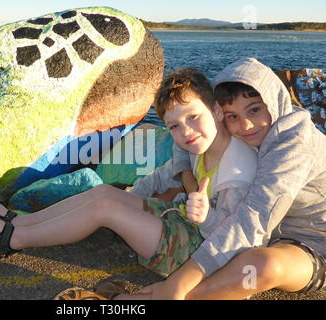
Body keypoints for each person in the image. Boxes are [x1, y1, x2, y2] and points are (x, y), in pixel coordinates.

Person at [0, 68, 258, 298]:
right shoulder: (204, 145)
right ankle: (18, 222)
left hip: (198, 253)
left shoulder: (237, 169)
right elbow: (163, 174)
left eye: (193, 117)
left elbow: (234, 239)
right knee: (104, 192)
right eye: (174, 126)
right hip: (183, 223)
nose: (186, 131)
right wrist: (134, 198)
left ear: (217, 112)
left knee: (104, 208)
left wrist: (205, 217)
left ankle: (12, 240)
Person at [135, 58, 326, 300]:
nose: (246, 125)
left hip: (312, 243)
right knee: (167, 196)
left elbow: (254, 218)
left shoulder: (293, 143)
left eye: (255, 109)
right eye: (232, 116)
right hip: (270, 233)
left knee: (264, 266)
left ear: (273, 101)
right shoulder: (255, 128)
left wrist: (180, 282)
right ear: (218, 113)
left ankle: (163, 297)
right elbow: (187, 134)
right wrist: (188, 179)